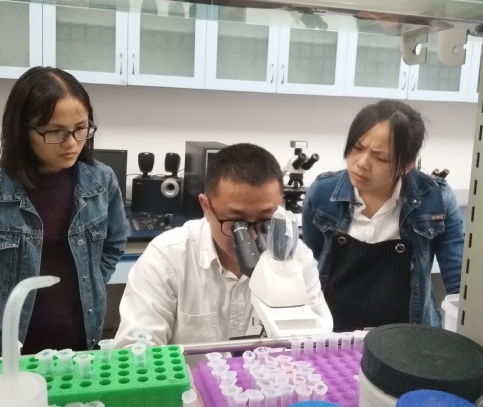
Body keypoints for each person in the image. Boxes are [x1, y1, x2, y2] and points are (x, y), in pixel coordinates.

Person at [0, 66, 128, 357]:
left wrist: (92, 284)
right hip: (6, 354)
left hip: (83, 347)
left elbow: (115, 242)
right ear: (22, 129)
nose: (72, 143)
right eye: (55, 132)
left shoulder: (101, 181)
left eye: (81, 128)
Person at [113, 143, 332, 347]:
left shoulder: (297, 258)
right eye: (236, 223)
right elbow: (136, 350)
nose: (251, 236)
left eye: (266, 221)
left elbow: (318, 343)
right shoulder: (166, 258)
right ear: (206, 207)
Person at [302, 99, 463, 332]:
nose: (361, 163)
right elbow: (313, 255)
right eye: (357, 148)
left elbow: (458, 282)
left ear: (407, 164)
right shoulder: (323, 192)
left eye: (380, 158)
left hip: (407, 335)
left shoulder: (436, 198)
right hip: (334, 332)